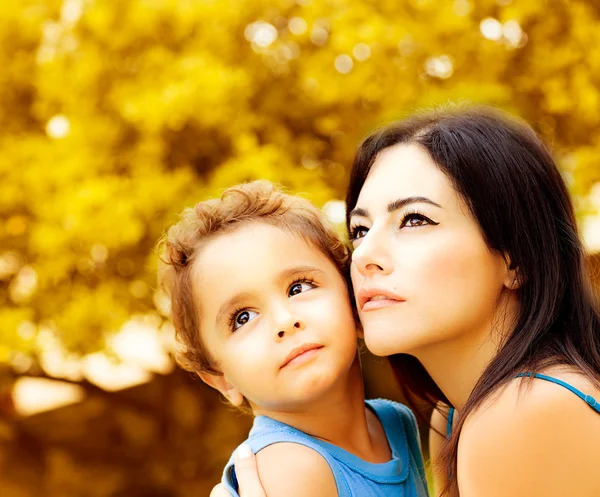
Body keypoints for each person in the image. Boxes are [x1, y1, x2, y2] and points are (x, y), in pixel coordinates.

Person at [215, 106, 600, 497]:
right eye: (360, 230)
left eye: (414, 220)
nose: (363, 255)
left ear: (514, 257)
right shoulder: (450, 419)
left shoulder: (523, 413)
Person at [158, 181, 429, 497]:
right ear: (222, 379)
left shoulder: (394, 422)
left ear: (353, 300)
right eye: (242, 317)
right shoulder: (289, 467)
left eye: (299, 287)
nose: (285, 322)